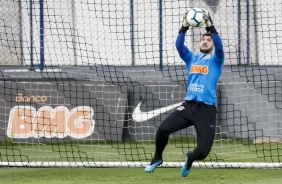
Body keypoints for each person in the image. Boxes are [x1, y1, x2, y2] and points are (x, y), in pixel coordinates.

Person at [144, 9, 224, 177]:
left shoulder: (217, 60)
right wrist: (184, 27)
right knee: (162, 130)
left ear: (213, 45)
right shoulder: (191, 58)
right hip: (188, 106)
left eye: (209, 40)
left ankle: (190, 158)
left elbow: (220, 46)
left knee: (202, 152)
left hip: (206, 110)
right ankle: (157, 158)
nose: (205, 41)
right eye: (203, 39)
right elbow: (179, 45)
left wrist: (211, 26)